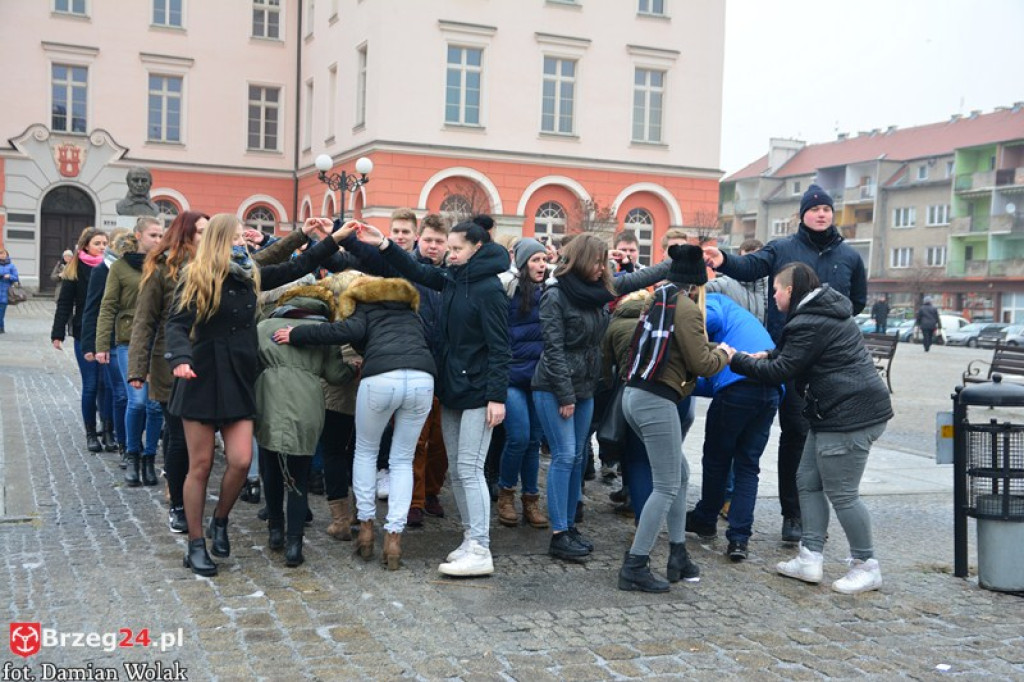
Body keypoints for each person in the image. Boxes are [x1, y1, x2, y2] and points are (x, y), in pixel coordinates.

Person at [165, 214, 342, 577]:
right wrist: (180, 358)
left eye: (242, 238)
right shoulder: (196, 275)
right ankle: (196, 544)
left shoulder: (251, 275)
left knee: (242, 461)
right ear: (218, 239)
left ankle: (220, 520)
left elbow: (300, 266)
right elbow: (177, 325)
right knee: (199, 466)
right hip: (200, 376)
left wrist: (334, 239)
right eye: (234, 237)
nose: (242, 242)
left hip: (239, 378)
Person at [702, 183, 867, 544]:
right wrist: (724, 259)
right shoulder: (783, 248)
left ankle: (796, 515)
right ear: (803, 214)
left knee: (803, 437)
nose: (822, 213)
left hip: (826, 366)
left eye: (827, 208)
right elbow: (750, 267)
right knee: (777, 435)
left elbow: (857, 302)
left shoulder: (850, 257)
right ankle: (756, 511)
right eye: (815, 208)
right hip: (784, 356)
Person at [726, 262, 893, 594]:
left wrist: (736, 359)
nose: (773, 296)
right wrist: (769, 354)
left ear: (789, 290)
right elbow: (800, 354)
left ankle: (866, 565)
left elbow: (781, 371)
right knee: (808, 481)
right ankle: (809, 557)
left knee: (843, 494)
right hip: (831, 413)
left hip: (850, 415)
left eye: (775, 290)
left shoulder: (809, 320)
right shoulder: (818, 313)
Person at [364, 218, 510, 577]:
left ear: (477, 248)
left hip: (479, 393)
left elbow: (500, 346)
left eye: (457, 248)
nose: (451, 254)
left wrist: (497, 397)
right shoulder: (453, 278)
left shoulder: (489, 289)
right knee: (458, 473)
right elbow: (414, 268)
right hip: (453, 389)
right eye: (450, 248)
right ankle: (470, 537)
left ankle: (482, 548)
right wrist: (384, 245)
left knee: (471, 470)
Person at [274, 265, 435, 570]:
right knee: (401, 460)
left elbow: (344, 332)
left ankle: (366, 529)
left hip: (380, 379)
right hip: (421, 379)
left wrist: (298, 334)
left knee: (365, 451)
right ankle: (394, 539)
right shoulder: (409, 310)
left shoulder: (364, 305)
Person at [531, 233, 672, 563]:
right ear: (582, 261)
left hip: (585, 387)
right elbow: (552, 350)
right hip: (554, 387)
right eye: (597, 261)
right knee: (565, 455)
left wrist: (673, 263)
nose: (603, 267)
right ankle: (559, 533)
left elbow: (635, 278)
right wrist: (565, 394)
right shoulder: (554, 295)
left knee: (578, 456)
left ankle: (569, 527)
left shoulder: (596, 291)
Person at [617, 244, 730, 592]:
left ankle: (678, 554)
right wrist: (725, 353)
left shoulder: (659, 300)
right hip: (657, 400)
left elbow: (683, 349)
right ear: (696, 285)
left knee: (679, 473)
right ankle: (635, 565)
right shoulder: (687, 308)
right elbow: (702, 364)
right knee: (666, 484)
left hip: (635, 395)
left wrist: (712, 351)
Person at [256, 283, 357, 567]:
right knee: (298, 475)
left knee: (271, 467)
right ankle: (294, 546)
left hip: (269, 397)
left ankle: (275, 531)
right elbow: (336, 375)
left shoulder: (265, 326)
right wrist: (353, 369)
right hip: (308, 401)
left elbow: (250, 363)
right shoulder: (323, 333)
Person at [684, 294, 781, 562]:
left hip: (737, 388)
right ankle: (739, 539)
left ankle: (705, 519)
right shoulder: (745, 322)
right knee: (748, 466)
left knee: (717, 459)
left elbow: (707, 317)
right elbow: (711, 381)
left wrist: (687, 327)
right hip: (770, 391)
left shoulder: (714, 300)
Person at [95, 217, 165, 487]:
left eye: (161, 236)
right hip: (128, 341)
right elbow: (108, 306)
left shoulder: (163, 265)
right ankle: (132, 454)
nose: (158, 241)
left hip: (158, 342)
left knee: (155, 404)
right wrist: (102, 345)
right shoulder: (121, 267)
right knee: (136, 401)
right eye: (153, 235)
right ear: (138, 235)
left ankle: (149, 458)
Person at [496, 238, 551, 529]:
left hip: (540, 379)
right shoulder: (507, 290)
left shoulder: (550, 292)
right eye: (535, 260)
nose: (541, 265)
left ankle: (531, 499)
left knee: (533, 442)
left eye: (544, 259)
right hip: (512, 375)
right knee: (518, 436)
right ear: (522, 262)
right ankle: (506, 494)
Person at [51, 228, 109, 452]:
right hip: (83, 332)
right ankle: (91, 433)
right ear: (86, 246)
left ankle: (108, 429)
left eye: (105, 243)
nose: (103, 246)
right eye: (98, 243)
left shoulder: (111, 267)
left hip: (107, 333)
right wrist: (57, 334)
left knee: (107, 385)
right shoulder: (75, 270)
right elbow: (64, 304)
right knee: (92, 384)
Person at [0, 248, 20, 333]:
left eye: (4, 254)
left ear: (7, 255)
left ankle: (1, 327)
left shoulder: (11, 266)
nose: (2, 256)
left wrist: (9, 276)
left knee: (1, 312)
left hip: (5, 292)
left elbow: (16, 278)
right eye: (1, 254)